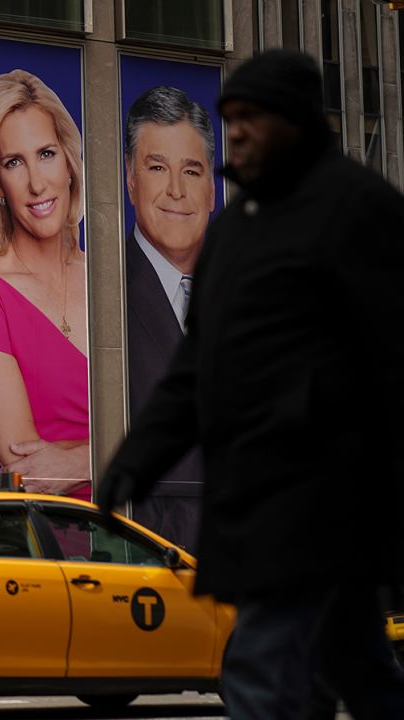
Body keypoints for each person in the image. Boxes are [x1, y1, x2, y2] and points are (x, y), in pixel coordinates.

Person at [97, 49, 404, 719]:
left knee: (262, 676)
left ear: (294, 124)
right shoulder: (234, 232)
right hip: (265, 506)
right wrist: (134, 462)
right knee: (353, 671)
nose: (236, 136)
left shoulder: (361, 211)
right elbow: (193, 369)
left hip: (329, 501)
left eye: (250, 122)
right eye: (230, 122)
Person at [0, 69, 89, 498]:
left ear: (69, 162)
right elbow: (31, 470)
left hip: (154, 532)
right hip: (58, 542)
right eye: (14, 162)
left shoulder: (114, 280)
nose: (37, 183)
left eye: (46, 154)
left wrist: (81, 458)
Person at [122, 85, 215, 550]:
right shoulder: (103, 288)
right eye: (158, 168)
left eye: (192, 171)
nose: (177, 190)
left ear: (212, 189)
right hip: (160, 566)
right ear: (130, 178)